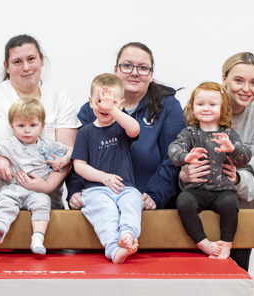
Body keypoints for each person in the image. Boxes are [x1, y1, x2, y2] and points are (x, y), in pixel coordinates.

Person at [0, 34, 80, 210]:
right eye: (17, 62)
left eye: (31, 59)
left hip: (45, 209)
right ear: (6, 66)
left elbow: (65, 158)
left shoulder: (60, 101)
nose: (26, 67)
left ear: (41, 61)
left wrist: (45, 186)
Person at [180, 52, 254, 270]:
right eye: (239, 80)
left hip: (237, 205)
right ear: (224, 79)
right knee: (199, 278)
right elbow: (179, 154)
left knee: (235, 277)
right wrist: (184, 174)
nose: (246, 89)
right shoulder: (198, 107)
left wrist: (236, 178)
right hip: (198, 204)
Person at [69, 42, 185, 211]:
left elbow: (174, 156)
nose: (134, 73)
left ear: (151, 74)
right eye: (127, 66)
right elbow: (78, 156)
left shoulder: (168, 105)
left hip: (148, 204)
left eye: (143, 68)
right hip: (100, 201)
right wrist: (75, 191)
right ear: (115, 70)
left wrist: (156, 194)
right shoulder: (91, 109)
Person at [0, 98, 71, 254]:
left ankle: (37, 238)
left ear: (42, 126)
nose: (27, 130)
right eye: (21, 126)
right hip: (15, 188)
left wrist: (63, 160)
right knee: (4, 199)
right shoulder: (9, 144)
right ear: (12, 126)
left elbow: (72, 150)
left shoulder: (47, 145)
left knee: (43, 203)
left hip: (37, 192)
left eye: (32, 125)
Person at [168, 82, 251, 259]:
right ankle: (203, 243)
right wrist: (186, 157)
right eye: (200, 104)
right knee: (183, 201)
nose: (206, 108)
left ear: (223, 109)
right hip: (195, 191)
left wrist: (232, 149)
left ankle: (226, 244)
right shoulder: (189, 133)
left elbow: (244, 157)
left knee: (230, 203)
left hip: (222, 191)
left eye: (212, 105)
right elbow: (174, 149)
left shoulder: (228, 134)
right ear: (192, 107)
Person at [72, 73, 141, 264]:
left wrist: (114, 111)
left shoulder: (122, 126)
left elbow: (134, 129)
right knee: (106, 213)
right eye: (100, 101)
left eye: (112, 102)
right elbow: (79, 165)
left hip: (125, 188)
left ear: (121, 105)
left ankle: (128, 235)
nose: (105, 106)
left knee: (133, 201)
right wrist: (103, 178)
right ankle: (113, 248)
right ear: (91, 102)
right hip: (96, 190)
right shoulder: (85, 132)